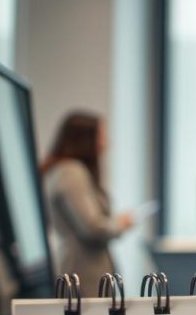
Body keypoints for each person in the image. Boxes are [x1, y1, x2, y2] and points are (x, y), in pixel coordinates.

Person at [41, 112, 133, 297]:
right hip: (82, 273)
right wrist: (120, 224)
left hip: (83, 271)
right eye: (102, 135)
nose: (106, 143)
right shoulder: (71, 172)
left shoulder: (65, 170)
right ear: (85, 139)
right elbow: (92, 227)